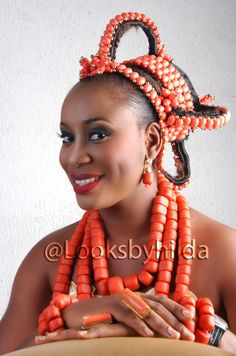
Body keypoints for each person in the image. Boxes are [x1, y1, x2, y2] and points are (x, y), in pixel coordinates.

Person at [0, 11, 236, 355]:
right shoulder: (47, 260)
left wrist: (206, 334)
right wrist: (76, 315)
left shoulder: (222, 252)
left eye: (98, 134)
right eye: (67, 137)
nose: (74, 157)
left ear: (152, 142)